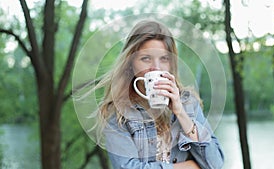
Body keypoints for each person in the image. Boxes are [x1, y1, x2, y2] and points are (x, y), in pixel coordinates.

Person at [92, 20, 224, 169]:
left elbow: (215, 163)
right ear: (130, 62)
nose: (156, 68)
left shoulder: (187, 103)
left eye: (164, 59)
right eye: (146, 58)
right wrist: (187, 167)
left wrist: (180, 113)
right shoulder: (118, 113)